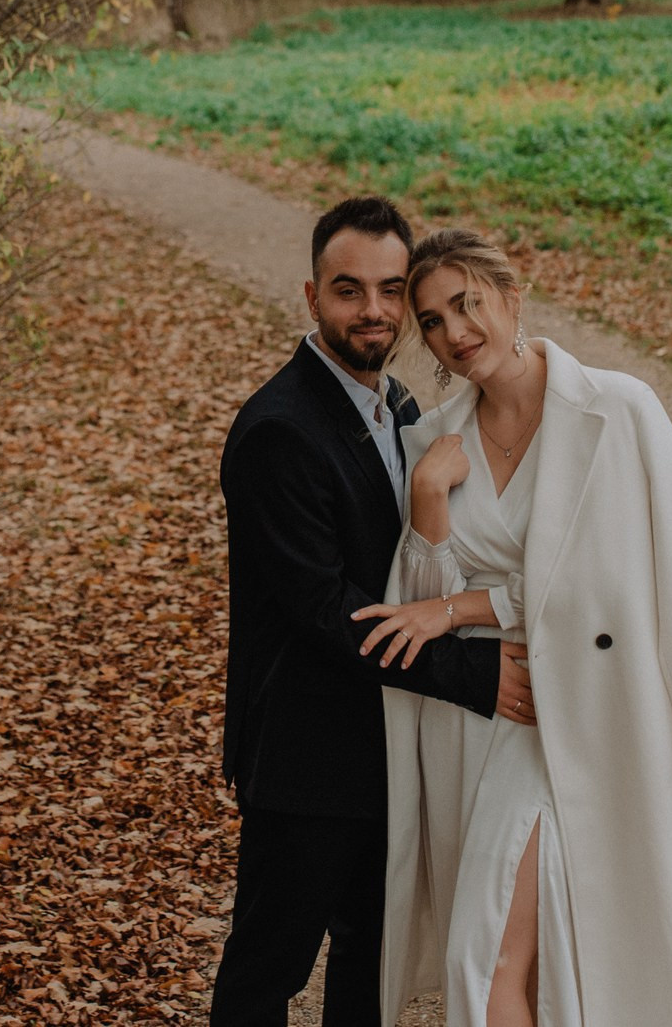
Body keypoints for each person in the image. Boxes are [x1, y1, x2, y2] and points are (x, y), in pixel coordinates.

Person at [353, 227, 672, 1027]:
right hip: (498, 718)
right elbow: (421, 601)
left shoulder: (617, 409)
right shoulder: (435, 440)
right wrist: (429, 507)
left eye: (468, 304)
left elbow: (635, 574)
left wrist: (464, 607)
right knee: (527, 955)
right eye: (431, 320)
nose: (456, 333)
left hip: (600, 709)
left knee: (510, 950)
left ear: (510, 295)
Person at [212, 198, 539, 1027]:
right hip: (305, 750)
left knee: (371, 963)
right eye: (349, 289)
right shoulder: (277, 429)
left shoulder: (398, 410)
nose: (375, 311)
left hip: (390, 741)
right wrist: (472, 671)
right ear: (312, 296)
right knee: (269, 968)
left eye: (392, 290)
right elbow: (326, 606)